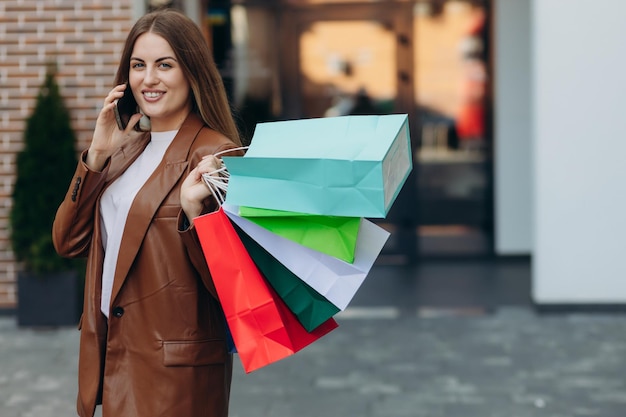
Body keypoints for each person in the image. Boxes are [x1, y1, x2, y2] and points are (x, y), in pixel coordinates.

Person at [52, 9, 244, 417]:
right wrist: (98, 155)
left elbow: (232, 284)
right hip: (115, 354)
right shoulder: (126, 150)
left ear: (192, 73)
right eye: (139, 65)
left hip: (175, 373)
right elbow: (68, 241)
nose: (149, 79)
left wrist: (195, 215)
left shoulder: (215, 154)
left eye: (165, 65)